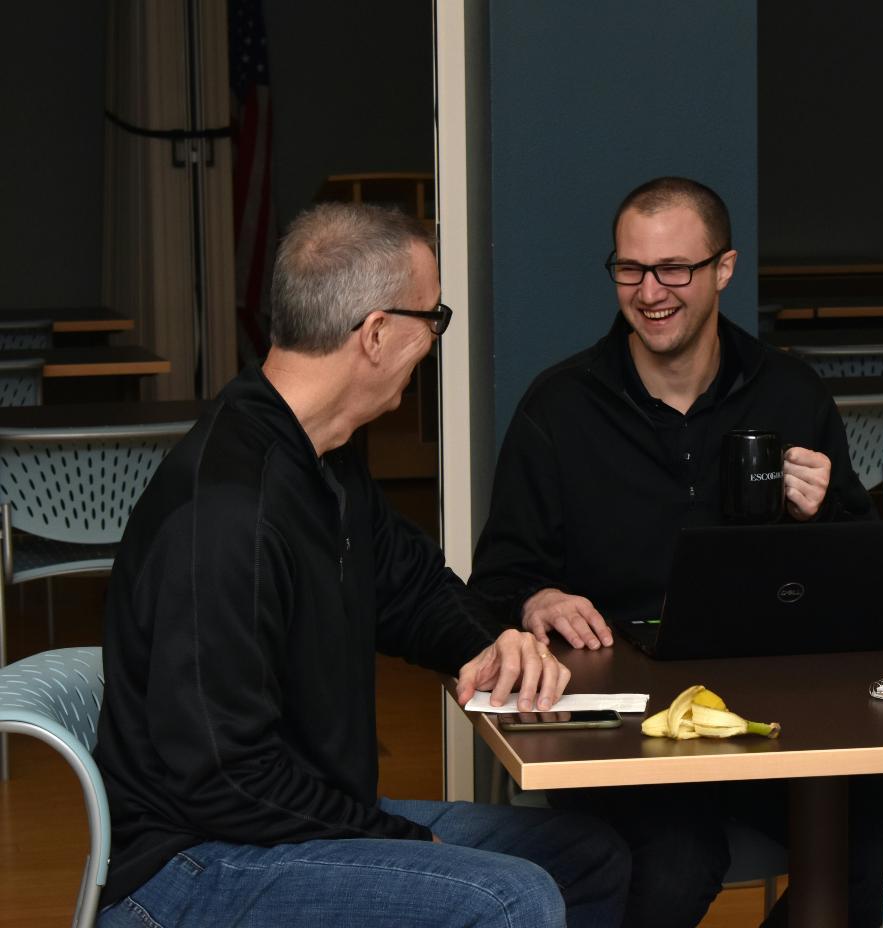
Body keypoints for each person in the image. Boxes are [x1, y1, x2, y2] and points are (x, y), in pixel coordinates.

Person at [93, 203, 630, 928]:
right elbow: (225, 778)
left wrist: (487, 640)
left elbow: (408, 586)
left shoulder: (324, 457)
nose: (434, 341)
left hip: (287, 817)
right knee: (512, 898)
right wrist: (406, 843)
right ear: (377, 334)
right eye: (432, 320)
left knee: (587, 856)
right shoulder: (229, 515)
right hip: (191, 864)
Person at [468, 176, 883, 927]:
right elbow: (496, 580)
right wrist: (535, 597)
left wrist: (828, 511)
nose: (651, 292)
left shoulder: (791, 390)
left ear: (724, 269)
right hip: (620, 725)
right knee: (673, 866)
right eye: (630, 270)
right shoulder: (558, 406)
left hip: (771, 716)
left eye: (675, 269)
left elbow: (865, 584)